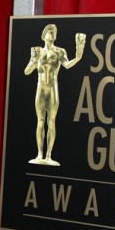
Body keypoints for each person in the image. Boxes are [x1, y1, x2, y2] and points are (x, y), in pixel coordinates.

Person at [24, 24, 85, 166]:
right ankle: (40, 154)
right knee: (40, 121)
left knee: (51, 121)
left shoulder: (59, 52)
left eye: (54, 32)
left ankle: (49, 155)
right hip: (40, 88)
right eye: (49, 31)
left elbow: (67, 65)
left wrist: (78, 56)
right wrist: (33, 61)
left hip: (52, 88)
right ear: (44, 35)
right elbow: (27, 71)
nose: (52, 33)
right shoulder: (37, 51)